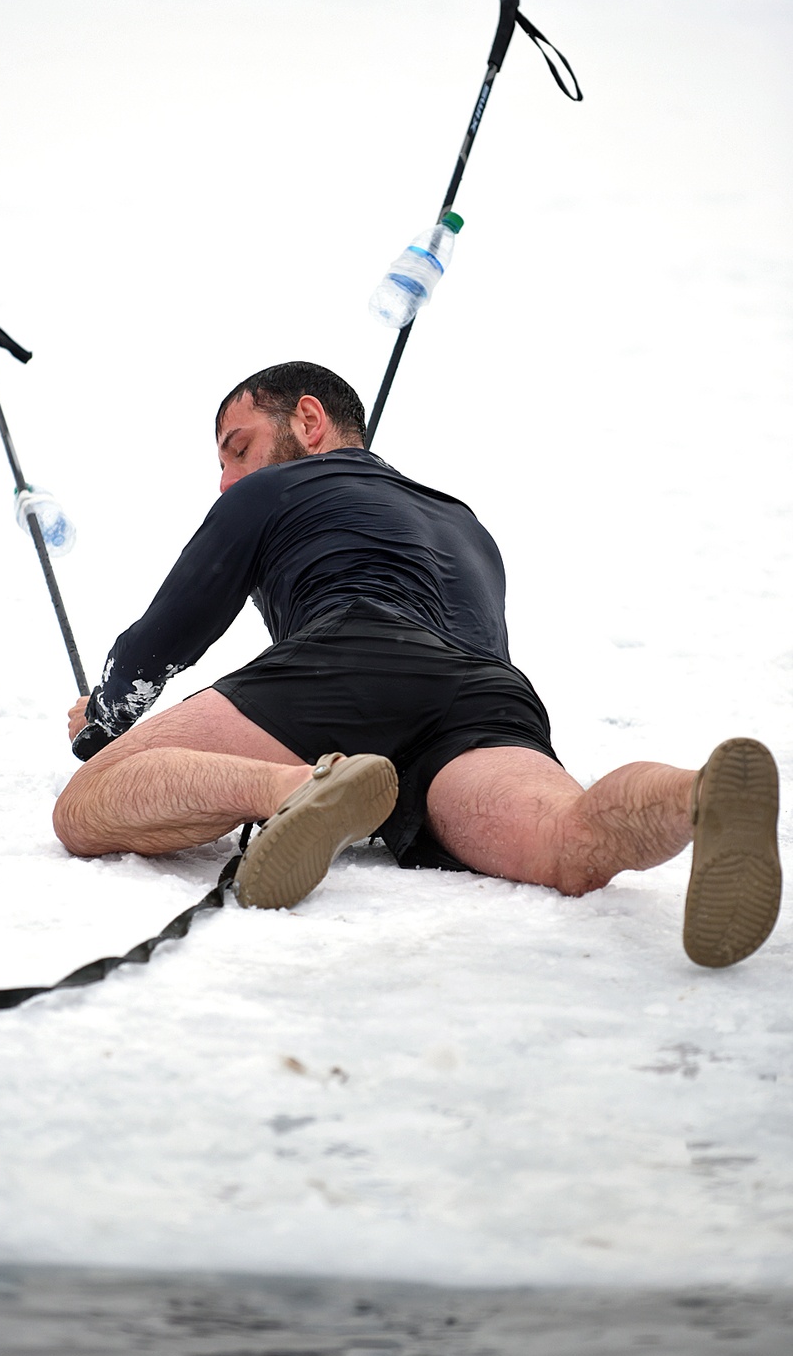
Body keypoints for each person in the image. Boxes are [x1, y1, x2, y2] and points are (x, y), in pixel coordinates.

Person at [53, 362, 782, 968]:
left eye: (236, 450)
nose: (226, 482)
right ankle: (699, 795)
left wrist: (107, 715)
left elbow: (169, 631)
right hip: (488, 693)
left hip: (353, 655)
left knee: (87, 806)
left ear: (309, 421)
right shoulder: (464, 522)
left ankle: (303, 785)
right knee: (571, 841)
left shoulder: (276, 490)